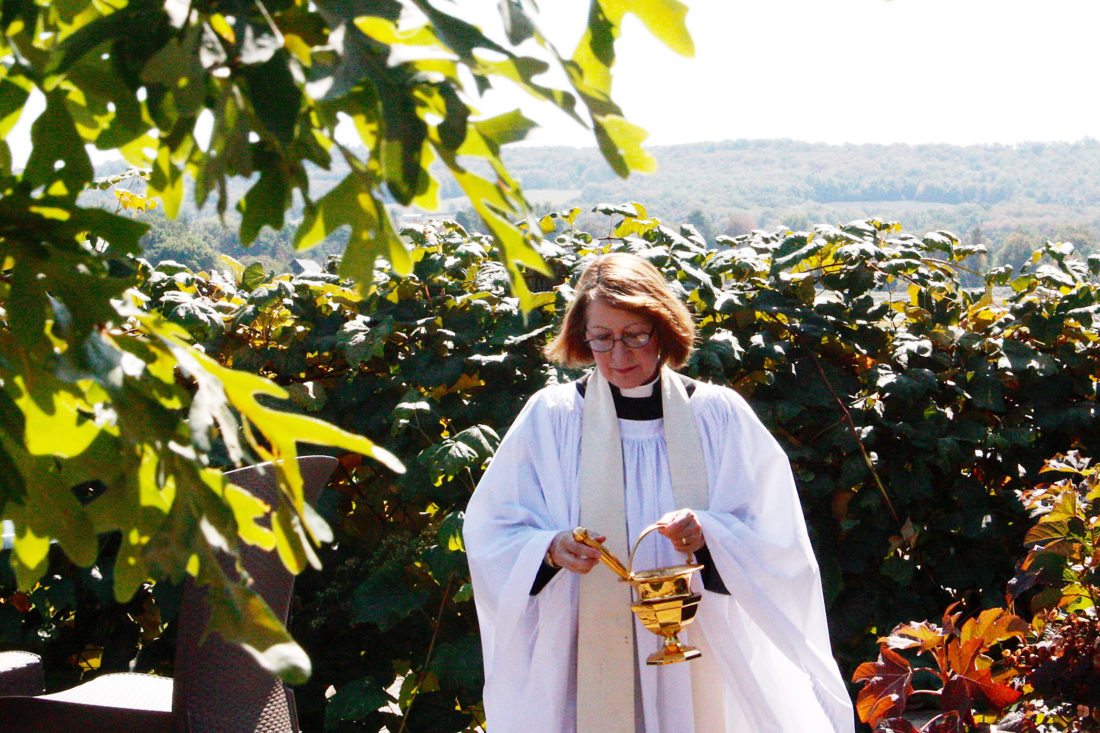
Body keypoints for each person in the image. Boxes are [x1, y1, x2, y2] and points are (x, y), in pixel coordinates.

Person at [463, 252, 854, 733]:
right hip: (581, 644)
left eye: (635, 336)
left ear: (664, 328)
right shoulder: (553, 419)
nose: (619, 356)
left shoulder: (719, 416)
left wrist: (710, 535)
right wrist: (548, 549)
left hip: (703, 642)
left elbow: (778, 539)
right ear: (582, 336)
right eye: (602, 338)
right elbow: (492, 531)